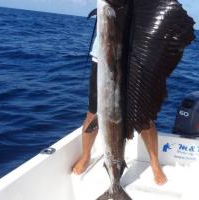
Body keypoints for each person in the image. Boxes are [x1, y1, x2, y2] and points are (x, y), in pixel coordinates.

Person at [72, 36, 167, 185]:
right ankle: (86, 156)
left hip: (138, 59)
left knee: (143, 116)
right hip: (103, 58)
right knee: (93, 113)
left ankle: (154, 162)